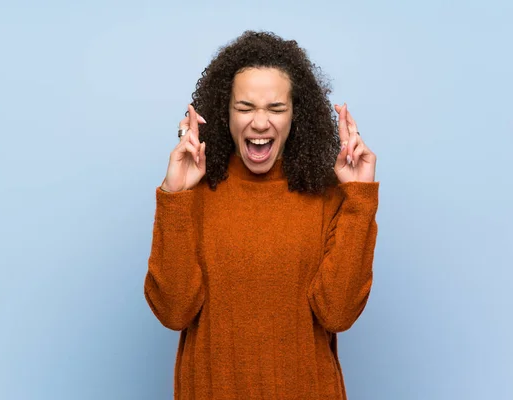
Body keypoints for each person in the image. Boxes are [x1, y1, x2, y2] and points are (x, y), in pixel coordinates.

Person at [144, 30, 379, 399]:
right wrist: (174, 196)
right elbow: (173, 311)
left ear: (295, 116)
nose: (259, 122)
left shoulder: (328, 198)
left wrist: (359, 200)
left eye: (275, 108)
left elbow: (338, 314)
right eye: (245, 107)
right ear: (225, 113)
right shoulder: (191, 195)